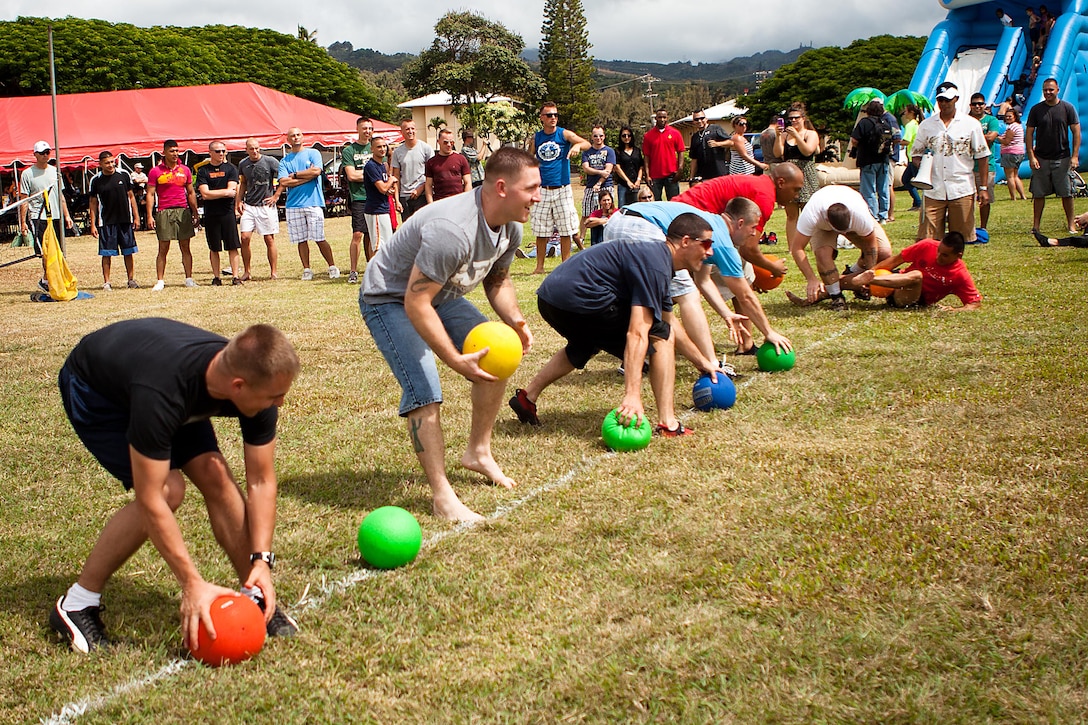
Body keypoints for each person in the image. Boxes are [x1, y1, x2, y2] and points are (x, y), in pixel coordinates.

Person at [50, 319, 301, 653]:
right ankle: (77, 603)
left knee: (215, 476)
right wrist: (191, 584)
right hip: (97, 392)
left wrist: (262, 563)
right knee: (168, 490)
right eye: (275, 397)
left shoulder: (252, 378)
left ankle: (256, 593)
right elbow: (150, 498)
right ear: (238, 387)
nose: (280, 404)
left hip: (154, 381)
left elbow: (261, 480)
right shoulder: (163, 393)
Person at [359, 147, 539, 523]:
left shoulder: (512, 226)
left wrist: (516, 321)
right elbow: (416, 302)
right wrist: (453, 358)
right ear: (502, 187)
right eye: (532, 188)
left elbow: (497, 280)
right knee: (425, 391)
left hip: (439, 295)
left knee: (496, 352)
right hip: (390, 298)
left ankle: (478, 452)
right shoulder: (453, 230)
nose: (540, 196)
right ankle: (443, 498)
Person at [510, 213, 724, 438]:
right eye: (707, 244)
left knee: (586, 343)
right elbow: (637, 333)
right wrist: (632, 394)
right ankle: (668, 423)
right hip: (578, 296)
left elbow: (669, 319)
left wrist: (703, 362)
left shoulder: (657, 260)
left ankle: (527, 398)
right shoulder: (656, 265)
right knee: (660, 336)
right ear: (686, 241)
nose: (710, 252)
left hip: (550, 298)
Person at [673, 165, 805, 352]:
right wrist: (771, 267)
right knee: (680, 290)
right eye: (796, 189)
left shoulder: (760, 185)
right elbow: (748, 250)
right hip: (687, 225)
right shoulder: (765, 197)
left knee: (736, 277)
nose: (796, 195)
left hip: (692, 220)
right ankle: (746, 343)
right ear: (781, 183)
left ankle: (746, 343)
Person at [786, 184, 894, 310]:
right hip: (823, 227)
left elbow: (871, 245)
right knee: (823, 255)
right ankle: (836, 296)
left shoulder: (860, 215)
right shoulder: (812, 214)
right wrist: (811, 279)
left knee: (884, 253)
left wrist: (869, 274)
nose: (845, 234)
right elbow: (797, 248)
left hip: (851, 211)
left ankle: (851, 273)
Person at [910, 82, 989, 244]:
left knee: (961, 239)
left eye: (947, 100)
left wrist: (983, 187)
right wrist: (923, 168)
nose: (944, 104)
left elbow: (982, 157)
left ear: (956, 99)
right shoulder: (927, 125)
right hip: (933, 189)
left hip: (962, 188)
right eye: (940, 100)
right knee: (927, 239)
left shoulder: (971, 124)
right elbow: (916, 154)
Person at [529, 101, 590, 272]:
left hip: (562, 188)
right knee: (541, 229)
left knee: (566, 228)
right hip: (542, 189)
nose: (553, 118)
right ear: (542, 118)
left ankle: (565, 265)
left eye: (555, 115)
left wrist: (577, 146)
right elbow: (528, 160)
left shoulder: (564, 134)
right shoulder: (537, 137)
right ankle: (539, 267)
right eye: (549, 115)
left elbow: (586, 143)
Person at [852, 232, 981, 311]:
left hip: (912, 300)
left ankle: (870, 279)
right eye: (938, 251)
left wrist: (954, 310)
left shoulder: (960, 275)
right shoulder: (927, 245)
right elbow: (894, 261)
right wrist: (872, 271)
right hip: (896, 282)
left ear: (959, 256)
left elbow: (974, 303)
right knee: (844, 282)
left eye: (945, 255)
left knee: (917, 275)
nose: (938, 256)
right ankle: (836, 289)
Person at [278, 127, 339, 280]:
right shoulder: (284, 161)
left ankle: (332, 266)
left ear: (303, 137)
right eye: (292, 136)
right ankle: (307, 269)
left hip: (313, 203)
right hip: (293, 205)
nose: (296, 138)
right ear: (288, 139)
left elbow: (317, 171)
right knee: (301, 240)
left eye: (298, 135)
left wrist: (296, 175)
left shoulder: (313, 153)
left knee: (319, 237)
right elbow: (284, 181)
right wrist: (306, 177)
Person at [1026, 77, 1081, 235]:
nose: (1048, 93)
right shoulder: (1036, 110)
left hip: (1062, 157)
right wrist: (1031, 156)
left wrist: (1075, 156)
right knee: (1038, 194)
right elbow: (1029, 134)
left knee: (1067, 193)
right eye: (1045, 90)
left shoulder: (1067, 108)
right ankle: (1036, 227)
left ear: (1058, 90)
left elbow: (1076, 132)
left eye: (1051, 90)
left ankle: (1071, 225)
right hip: (1041, 158)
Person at [19, 140, 74, 293]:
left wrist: (67, 216)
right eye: (42, 153)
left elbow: (61, 196)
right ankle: (49, 279)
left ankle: (46, 279)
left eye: (47, 152)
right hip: (38, 216)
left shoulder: (55, 172)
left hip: (56, 216)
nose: (45, 155)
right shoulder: (27, 174)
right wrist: (22, 222)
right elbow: (24, 200)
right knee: (45, 251)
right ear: (35, 154)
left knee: (57, 251)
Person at [146, 139, 200, 291]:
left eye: (177, 151)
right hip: (164, 210)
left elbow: (191, 192)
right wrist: (150, 215)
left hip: (183, 210)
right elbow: (150, 194)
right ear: (164, 152)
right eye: (172, 151)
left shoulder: (185, 170)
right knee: (163, 247)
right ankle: (160, 280)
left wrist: (195, 212)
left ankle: (189, 278)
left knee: (185, 246)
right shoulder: (155, 171)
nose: (175, 154)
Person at [87, 150, 140, 290]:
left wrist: (136, 216)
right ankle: (107, 282)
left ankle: (131, 280)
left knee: (128, 251)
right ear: (100, 164)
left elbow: (131, 196)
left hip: (125, 220)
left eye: (112, 162)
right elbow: (93, 203)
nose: (111, 165)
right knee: (106, 253)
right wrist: (92, 224)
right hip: (106, 221)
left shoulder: (124, 175)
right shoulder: (96, 180)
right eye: (107, 163)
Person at [196, 141, 242, 286]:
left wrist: (214, 193)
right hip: (211, 214)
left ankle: (235, 276)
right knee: (214, 247)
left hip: (227, 213)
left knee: (232, 246)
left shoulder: (231, 169)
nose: (221, 154)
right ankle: (216, 277)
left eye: (223, 151)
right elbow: (205, 194)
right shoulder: (203, 171)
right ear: (210, 153)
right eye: (217, 151)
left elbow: (232, 191)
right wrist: (224, 192)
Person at [773, 102, 821, 243]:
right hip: (789, 175)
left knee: (810, 213)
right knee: (791, 215)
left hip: (806, 173)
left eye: (796, 118)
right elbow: (778, 153)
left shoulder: (810, 134)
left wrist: (798, 136)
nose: (793, 121)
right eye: (791, 118)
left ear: (803, 118)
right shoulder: (784, 136)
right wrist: (777, 136)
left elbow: (807, 151)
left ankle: (815, 244)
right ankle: (792, 247)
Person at [236, 137, 282, 280]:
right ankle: (247, 271)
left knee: (269, 239)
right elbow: (243, 183)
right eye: (251, 149)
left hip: (265, 205)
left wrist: (276, 195)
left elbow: (283, 178)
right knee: (244, 238)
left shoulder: (270, 161)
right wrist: (238, 200)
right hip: (249, 205)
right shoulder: (243, 164)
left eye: (257, 148)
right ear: (246, 150)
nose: (255, 151)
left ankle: (273, 272)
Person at [342, 117, 374, 284]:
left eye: (370, 128)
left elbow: (383, 171)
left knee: (372, 235)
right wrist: (371, 175)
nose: (367, 131)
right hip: (359, 197)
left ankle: (372, 268)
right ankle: (353, 270)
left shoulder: (377, 147)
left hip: (376, 197)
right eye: (364, 128)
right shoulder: (349, 151)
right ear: (357, 129)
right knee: (358, 234)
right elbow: (352, 175)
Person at [851, 100, 894, 222]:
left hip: (868, 160)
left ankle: (873, 215)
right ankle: (883, 215)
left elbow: (854, 140)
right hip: (883, 159)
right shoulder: (885, 122)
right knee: (883, 188)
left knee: (869, 189)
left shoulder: (864, 123)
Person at [968, 94, 1001, 234]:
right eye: (974, 104)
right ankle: (969, 226)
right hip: (968, 166)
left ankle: (983, 227)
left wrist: (974, 137)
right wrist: (983, 136)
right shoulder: (966, 120)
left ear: (985, 105)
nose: (977, 106)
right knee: (967, 200)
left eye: (980, 103)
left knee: (985, 199)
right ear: (970, 105)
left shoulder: (991, 120)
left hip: (987, 165)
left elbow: (992, 137)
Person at [391, 119, 434, 220]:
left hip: (422, 195)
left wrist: (420, 189)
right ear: (402, 131)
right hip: (404, 196)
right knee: (407, 229)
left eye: (412, 128)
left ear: (416, 130)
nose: (410, 131)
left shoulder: (426, 148)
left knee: (421, 226)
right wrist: (397, 200)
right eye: (407, 129)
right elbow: (396, 176)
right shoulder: (397, 152)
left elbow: (431, 174)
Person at [579, 125, 615, 243]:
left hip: (606, 186)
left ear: (604, 136)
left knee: (608, 212)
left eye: (600, 135)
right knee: (586, 213)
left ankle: (609, 237)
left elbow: (608, 171)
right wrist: (600, 172)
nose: (598, 138)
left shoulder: (609, 151)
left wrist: (599, 183)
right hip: (590, 186)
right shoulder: (586, 153)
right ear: (592, 137)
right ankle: (581, 239)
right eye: (595, 136)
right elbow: (586, 169)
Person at [641, 107, 686, 200]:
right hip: (655, 176)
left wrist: (680, 169)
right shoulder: (648, 136)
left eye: (664, 117)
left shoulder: (675, 133)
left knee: (674, 201)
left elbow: (681, 151)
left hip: (671, 175)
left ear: (667, 118)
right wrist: (647, 175)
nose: (662, 119)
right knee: (655, 202)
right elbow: (646, 156)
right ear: (656, 118)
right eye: (660, 117)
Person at [363, 136, 396, 255]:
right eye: (378, 147)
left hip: (383, 208)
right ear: (372, 149)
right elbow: (382, 188)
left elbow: (383, 188)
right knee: (378, 244)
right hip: (375, 210)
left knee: (387, 243)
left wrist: (389, 189)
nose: (382, 149)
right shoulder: (371, 166)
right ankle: (376, 272)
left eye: (384, 146)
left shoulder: (382, 165)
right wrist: (391, 180)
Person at [424, 128, 471, 203]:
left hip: (458, 202)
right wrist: (431, 204)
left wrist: (465, 201)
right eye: (445, 142)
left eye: (451, 142)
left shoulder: (461, 159)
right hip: (440, 203)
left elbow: (468, 182)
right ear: (438, 142)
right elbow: (428, 185)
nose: (449, 145)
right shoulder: (431, 162)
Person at [687, 109, 730, 183]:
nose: (699, 121)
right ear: (693, 122)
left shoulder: (715, 129)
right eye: (696, 119)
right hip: (703, 176)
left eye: (702, 118)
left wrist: (718, 144)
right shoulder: (695, 137)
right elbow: (694, 159)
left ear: (706, 119)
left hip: (718, 173)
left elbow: (731, 142)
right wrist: (691, 177)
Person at [899, 105, 924, 212]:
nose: (904, 114)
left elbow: (907, 140)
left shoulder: (910, 125)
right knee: (906, 179)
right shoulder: (916, 124)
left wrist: (895, 142)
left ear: (911, 113)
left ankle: (919, 202)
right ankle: (917, 202)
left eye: (906, 112)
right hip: (914, 156)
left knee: (908, 180)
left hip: (913, 157)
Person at [1000, 108, 1028, 201]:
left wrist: (997, 138)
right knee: (1015, 176)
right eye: (1006, 116)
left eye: (1010, 116)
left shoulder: (1011, 127)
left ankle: (1013, 197)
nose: (1007, 118)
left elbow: (1007, 141)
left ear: (1015, 117)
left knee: (1010, 176)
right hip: (1019, 152)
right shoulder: (1019, 126)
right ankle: (1023, 196)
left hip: (1010, 152)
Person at [613, 126, 644, 207]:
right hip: (623, 184)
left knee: (637, 207)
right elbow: (617, 167)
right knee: (622, 207)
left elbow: (641, 166)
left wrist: (638, 180)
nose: (626, 137)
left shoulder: (637, 150)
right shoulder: (617, 151)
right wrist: (627, 181)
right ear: (620, 137)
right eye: (624, 136)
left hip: (636, 184)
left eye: (628, 135)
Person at [130, 162, 149, 227]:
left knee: (144, 209)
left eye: (141, 168)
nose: (140, 169)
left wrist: (139, 180)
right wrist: (141, 180)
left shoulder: (143, 174)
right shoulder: (133, 174)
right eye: (139, 168)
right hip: (136, 194)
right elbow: (136, 181)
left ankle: (145, 224)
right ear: (136, 168)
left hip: (143, 193)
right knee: (137, 208)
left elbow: (147, 180)